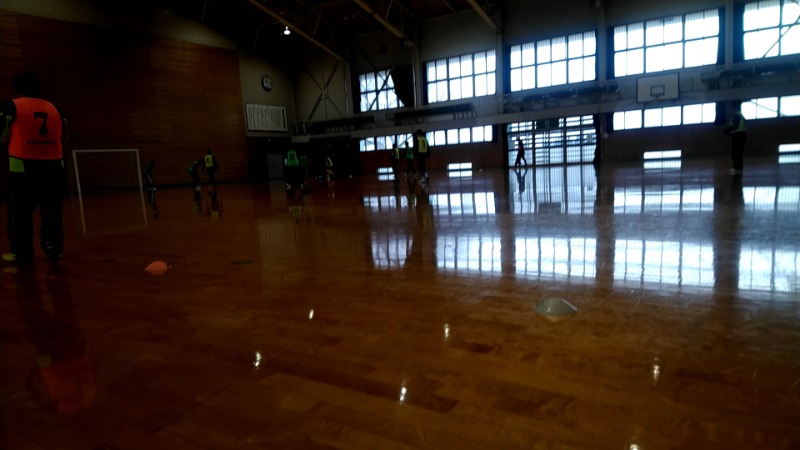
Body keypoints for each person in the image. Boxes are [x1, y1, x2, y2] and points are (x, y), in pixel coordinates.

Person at [1, 71, 69, 263]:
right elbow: (63, 136)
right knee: (52, 211)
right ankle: (54, 247)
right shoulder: (55, 107)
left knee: (19, 212)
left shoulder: (11, 106)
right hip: (54, 166)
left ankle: (21, 252)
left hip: (23, 166)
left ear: (17, 88)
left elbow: (2, 135)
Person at [724, 101, 748, 174]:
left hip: (738, 135)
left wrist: (727, 130)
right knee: (738, 152)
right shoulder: (740, 115)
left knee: (736, 152)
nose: (731, 110)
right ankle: (738, 168)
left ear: (734, 108)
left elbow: (735, 126)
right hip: (741, 135)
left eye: (731, 108)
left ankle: (736, 168)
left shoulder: (736, 115)